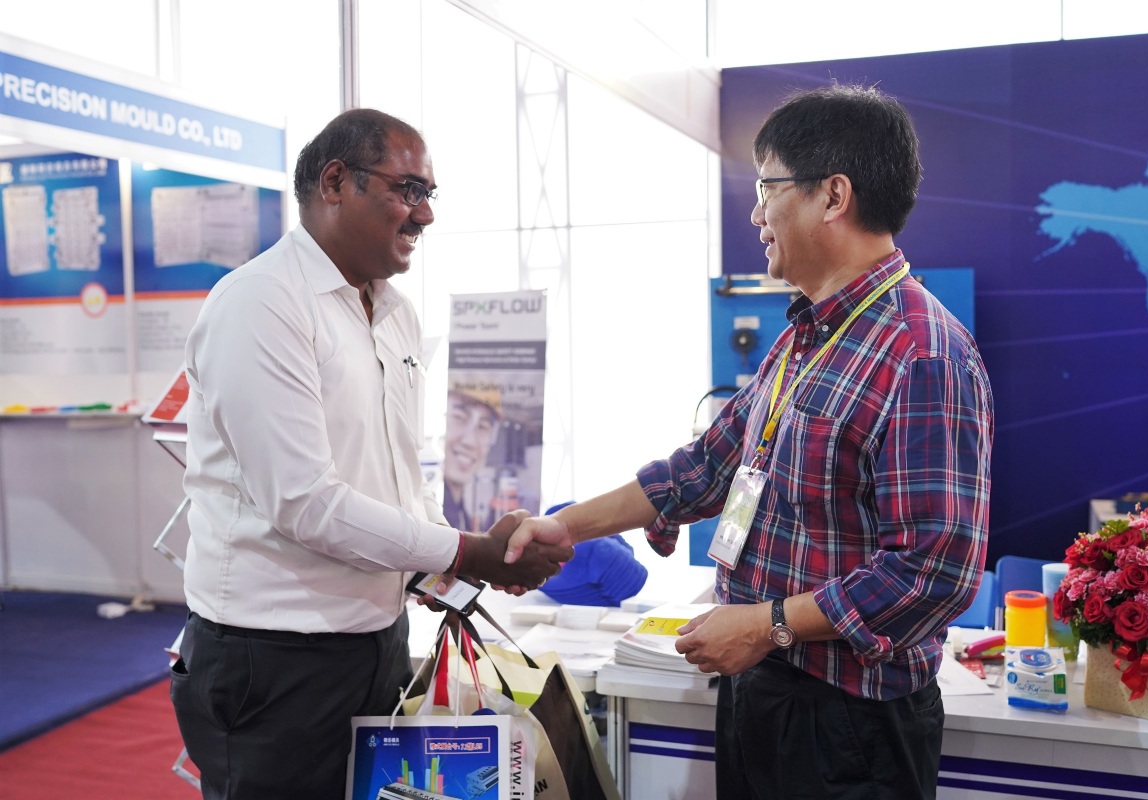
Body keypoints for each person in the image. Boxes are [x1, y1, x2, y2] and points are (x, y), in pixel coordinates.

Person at [503, 84, 994, 799]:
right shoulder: (805, 338)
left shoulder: (923, 354)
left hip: (849, 723)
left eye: (767, 188)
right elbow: (705, 468)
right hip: (762, 688)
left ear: (833, 196)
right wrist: (563, 528)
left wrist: (768, 626)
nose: (757, 214)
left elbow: (932, 571)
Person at [170, 108, 572, 800]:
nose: (426, 214)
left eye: (430, 194)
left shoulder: (394, 312)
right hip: (273, 659)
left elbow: (397, 473)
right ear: (335, 182)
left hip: (376, 641)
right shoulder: (262, 304)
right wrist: (466, 551)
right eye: (408, 190)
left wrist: (445, 569)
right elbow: (307, 504)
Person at [442, 381, 502, 532]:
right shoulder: (426, 510)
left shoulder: (462, 514)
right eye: (459, 417)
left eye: (483, 427)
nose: (470, 441)